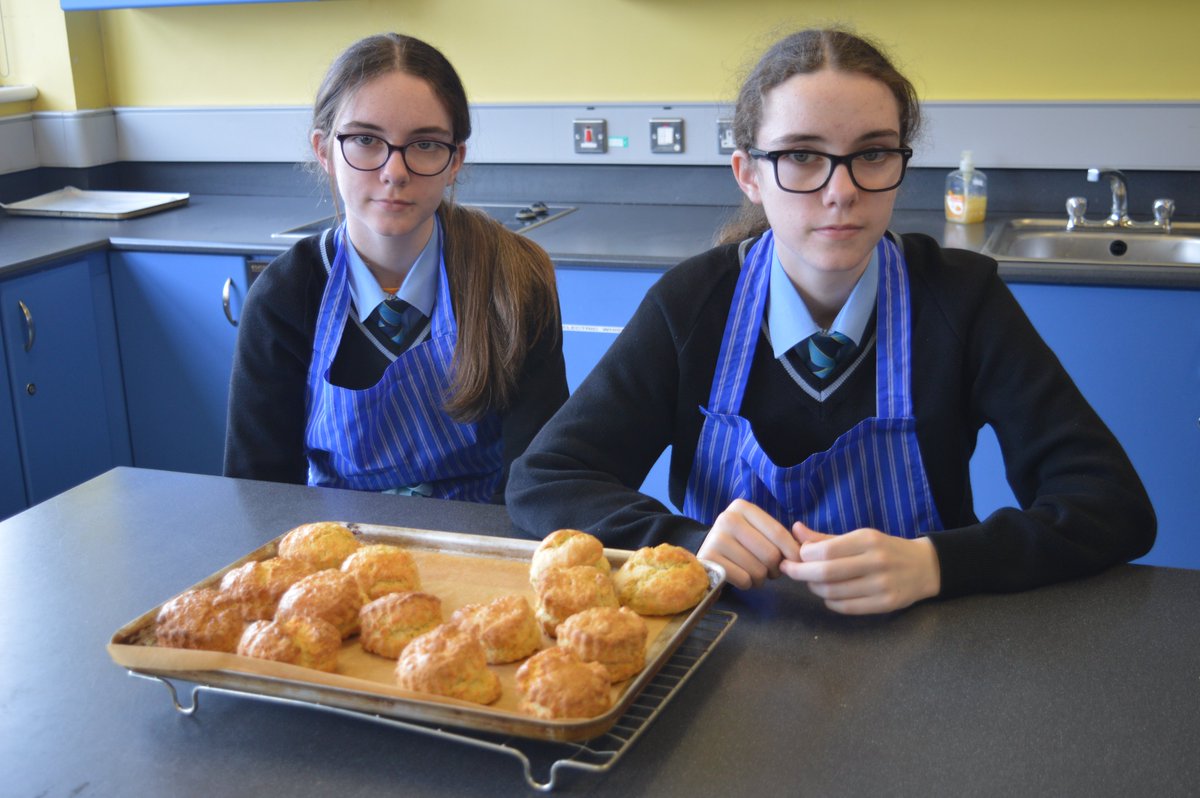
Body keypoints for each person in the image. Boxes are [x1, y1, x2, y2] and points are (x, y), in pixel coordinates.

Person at [506, 27, 1155, 613]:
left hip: (928, 650)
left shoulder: (962, 301)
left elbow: (1111, 505)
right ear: (750, 175)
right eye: (802, 156)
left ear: (901, 167)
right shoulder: (692, 307)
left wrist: (936, 562)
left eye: (872, 154)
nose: (841, 190)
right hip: (716, 656)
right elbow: (546, 480)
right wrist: (688, 542)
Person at [225, 33, 567, 503]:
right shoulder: (287, 295)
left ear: (455, 162)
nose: (395, 171)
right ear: (325, 151)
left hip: (485, 550)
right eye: (366, 140)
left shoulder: (514, 280)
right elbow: (259, 494)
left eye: (425, 144)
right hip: (336, 552)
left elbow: (537, 478)